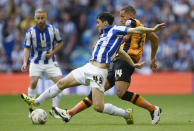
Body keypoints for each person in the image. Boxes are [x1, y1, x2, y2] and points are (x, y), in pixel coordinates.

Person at [21, 12, 165, 124]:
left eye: (98, 22)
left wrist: (152, 29)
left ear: (105, 22)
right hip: (88, 67)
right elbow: (120, 52)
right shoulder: (104, 36)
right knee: (61, 83)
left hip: (98, 72)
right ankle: (35, 102)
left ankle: (126, 114)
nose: (96, 25)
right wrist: (133, 64)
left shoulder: (115, 29)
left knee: (98, 107)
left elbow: (137, 30)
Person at [21, 9, 63, 118]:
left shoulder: (53, 30)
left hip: (50, 61)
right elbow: (26, 49)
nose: (40, 20)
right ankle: (31, 110)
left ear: (46, 18)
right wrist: (25, 62)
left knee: (60, 83)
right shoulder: (30, 32)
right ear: (35, 19)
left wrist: (53, 52)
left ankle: (54, 109)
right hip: (36, 61)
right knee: (34, 82)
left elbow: (60, 43)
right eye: (38, 18)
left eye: (42, 18)